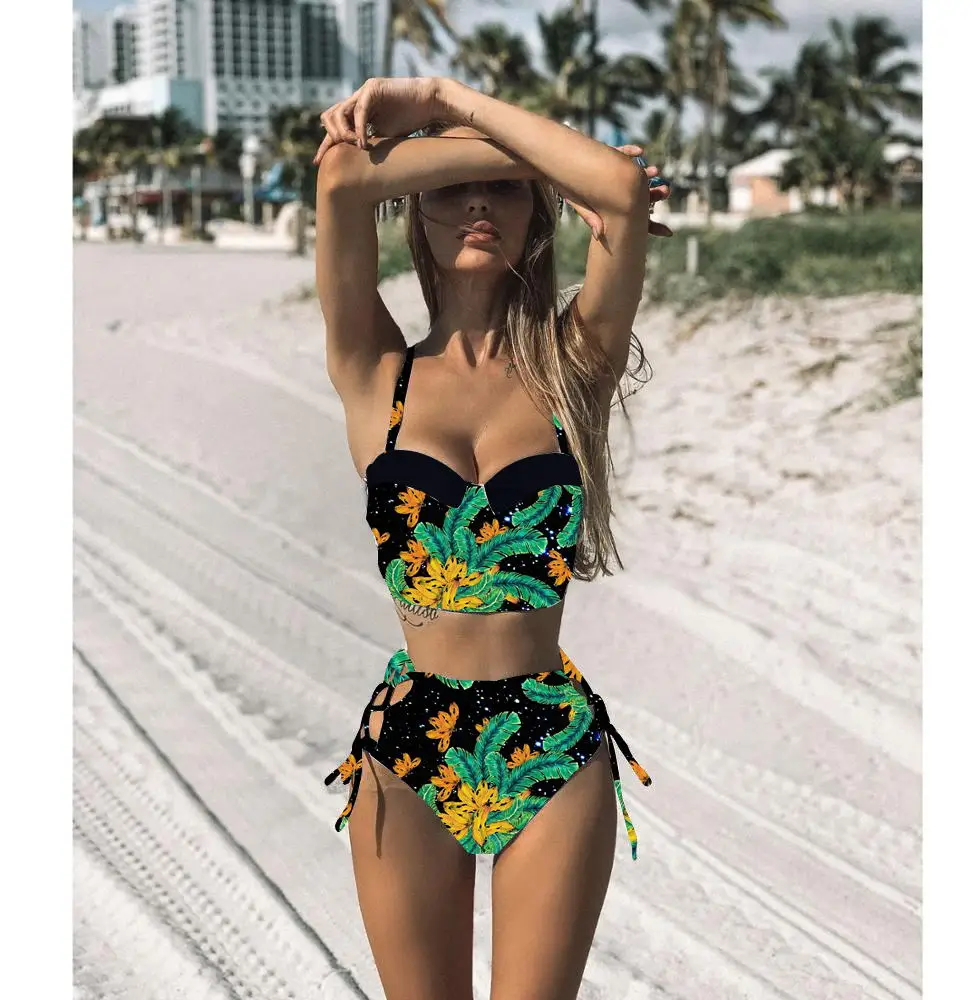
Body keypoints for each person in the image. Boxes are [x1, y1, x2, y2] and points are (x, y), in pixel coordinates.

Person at [313, 76, 670, 1000]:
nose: (479, 205)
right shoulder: (374, 372)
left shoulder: (573, 364)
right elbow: (342, 178)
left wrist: (443, 98)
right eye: (451, 188)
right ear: (417, 212)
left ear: (536, 216)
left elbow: (621, 190)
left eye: (506, 190)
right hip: (411, 742)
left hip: (550, 739)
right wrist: (531, 156)